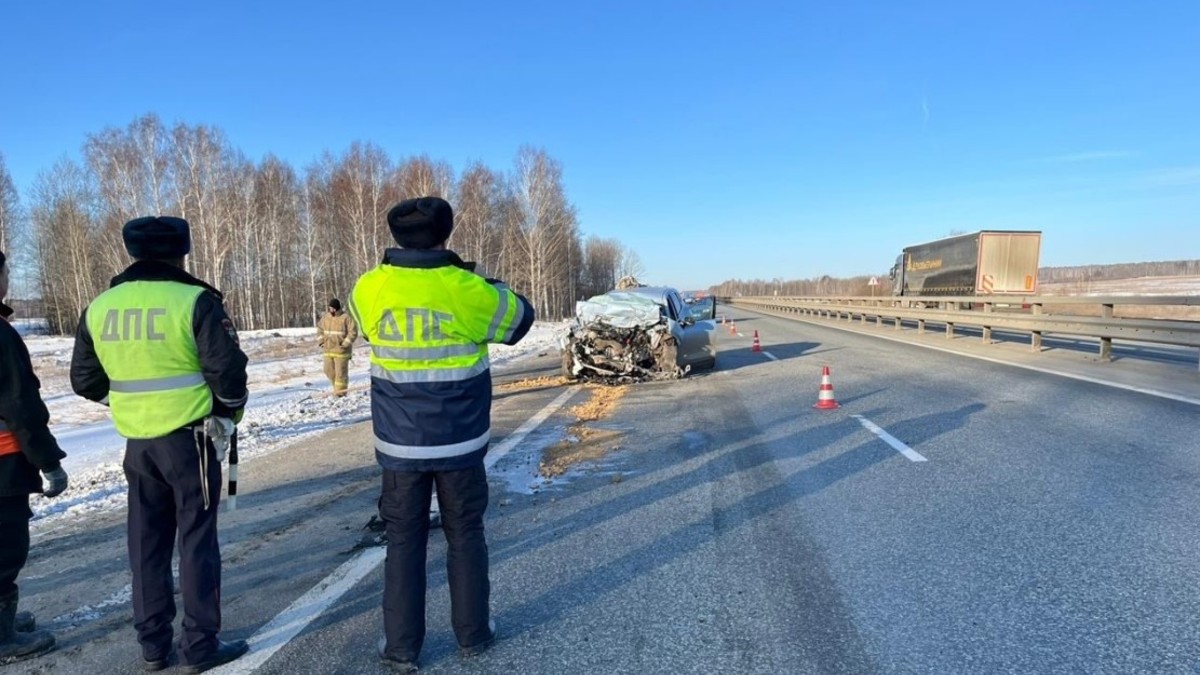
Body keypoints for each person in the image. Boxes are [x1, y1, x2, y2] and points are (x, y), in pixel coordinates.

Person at [350, 197, 534, 673]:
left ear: (396, 236)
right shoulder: (466, 288)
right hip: (460, 441)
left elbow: (365, 327)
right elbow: (520, 321)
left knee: (403, 542)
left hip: (398, 442)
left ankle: (401, 648)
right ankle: (473, 634)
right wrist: (488, 283)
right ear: (445, 234)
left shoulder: (369, 287)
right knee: (465, 534)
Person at [70, 217, 250, 673]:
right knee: (197, 544)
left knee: (146, 546)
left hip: (138, 444)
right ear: (182, 251)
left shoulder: (101, 306)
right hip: (190, 440)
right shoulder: (195, 300)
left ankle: (153, 646)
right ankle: (200, 646)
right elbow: (228, 374)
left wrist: (128, 400)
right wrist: (227, 413)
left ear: (132, 252)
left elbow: (84, 381)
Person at [0, 248, 65, 664]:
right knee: (6, 548)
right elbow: (19, 405)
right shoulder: (1, 336)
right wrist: (48, 461)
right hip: (3, 461)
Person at [317, 298, 357, 396]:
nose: (330, 309)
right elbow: (320, 330)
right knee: (328, 371)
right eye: (329, 307)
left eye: (332, 308)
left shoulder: (346, 318)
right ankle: (336, 388)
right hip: (328, 350)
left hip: (341, 351)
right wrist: (321, 341)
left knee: (340, 374)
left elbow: (353, 332)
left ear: (336, 308)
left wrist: (345, 344)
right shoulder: (325, 318)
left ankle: (340, 394)